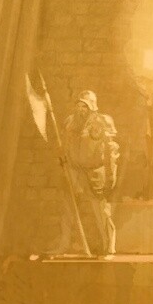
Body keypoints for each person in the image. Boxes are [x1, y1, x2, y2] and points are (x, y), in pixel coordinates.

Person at [55, 90, 119, 256]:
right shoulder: (70, 122)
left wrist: (111, 174)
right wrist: (62, 157)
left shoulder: (102, 122)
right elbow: (65, 145)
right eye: (79, 105)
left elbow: (111, 150)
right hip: (74, 171)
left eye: (85, 106)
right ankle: (64, 244)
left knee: (101, 210)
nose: (81, 109)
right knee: (68, 208)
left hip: (95, 171)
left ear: (92, 106)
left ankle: (109, 245)